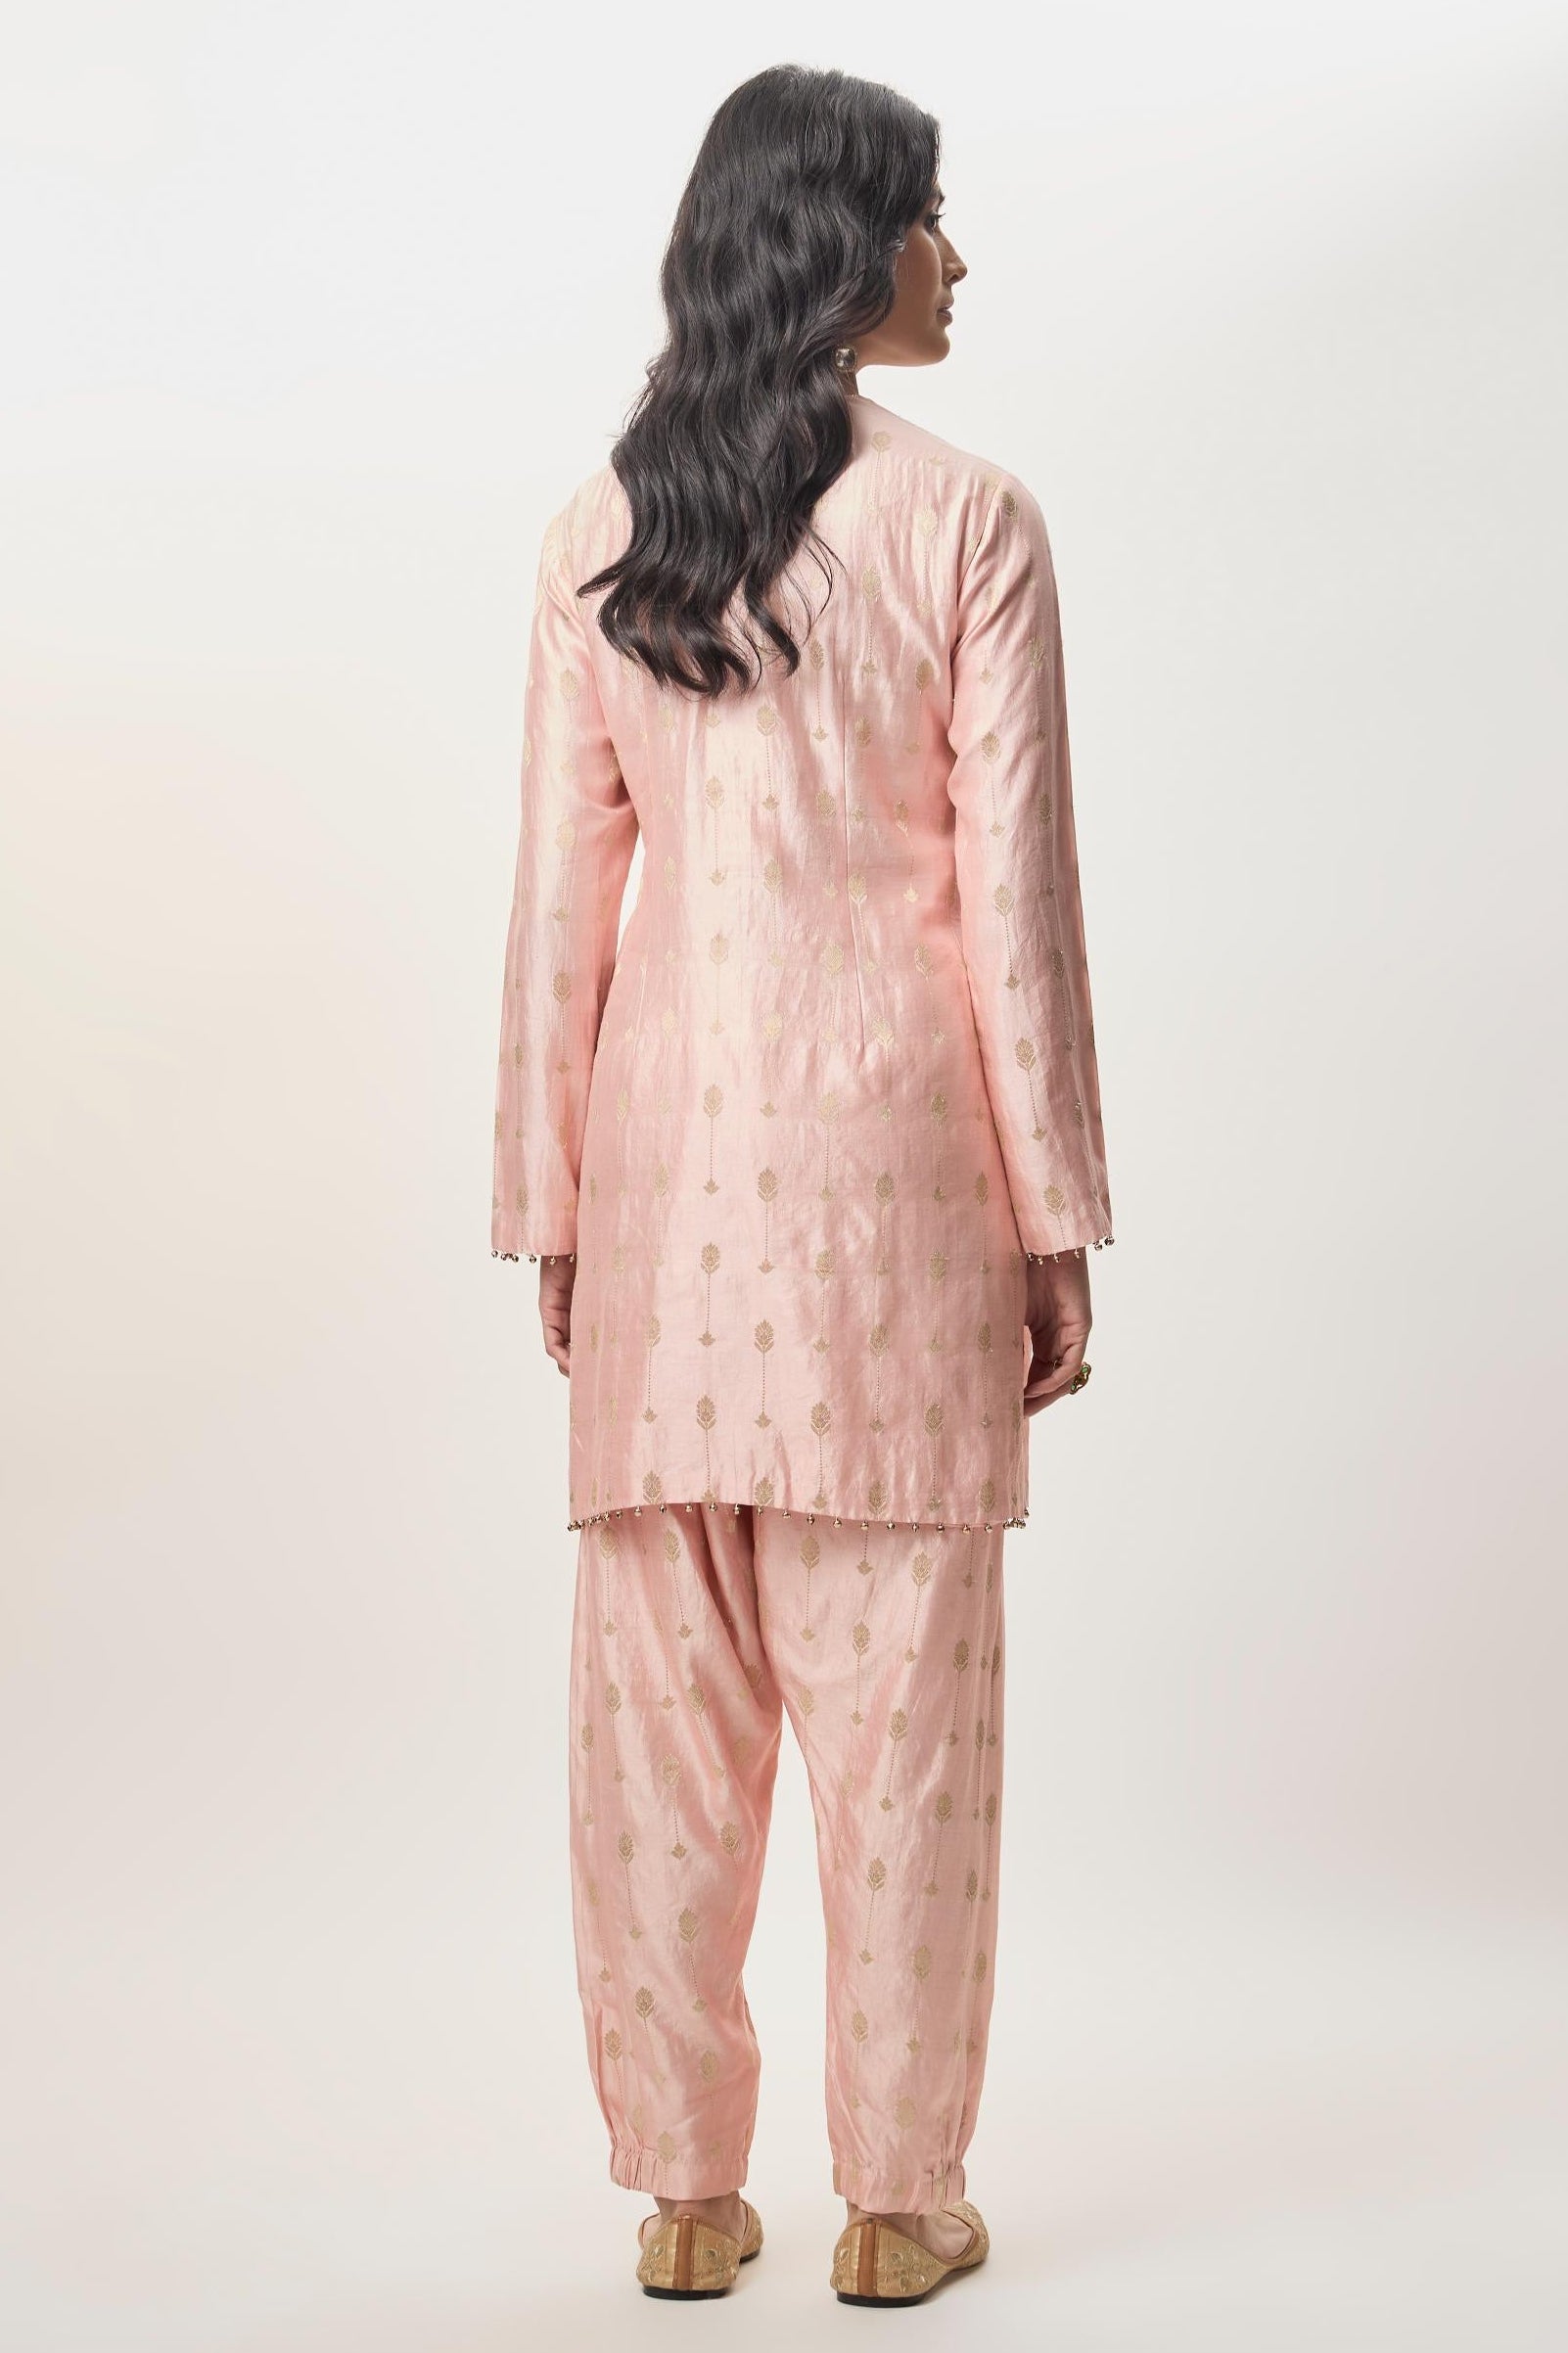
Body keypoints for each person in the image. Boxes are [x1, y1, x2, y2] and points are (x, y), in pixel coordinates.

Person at [490, 63, 1114, 2307]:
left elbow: (559, 912)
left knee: (659, 1729)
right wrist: (1053, 1213)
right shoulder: (969, 521)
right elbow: (1014, 908)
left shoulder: (602, 525)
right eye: (929, 216)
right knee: (906, 1730)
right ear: (845, 247)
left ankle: (683, 2187)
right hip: (899, 1197)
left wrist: (552, 1205)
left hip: (664, 1200)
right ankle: (897, 2191)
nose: (956, 257)